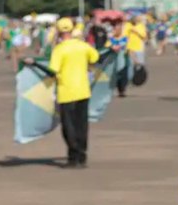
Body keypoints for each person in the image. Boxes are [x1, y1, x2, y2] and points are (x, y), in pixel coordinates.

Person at [24, 18, 100, 168]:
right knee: (82, 125)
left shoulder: (59, 49)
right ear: (71, 30)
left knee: (69, 126)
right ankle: (82, 157)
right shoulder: (83, 46)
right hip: (83, 90)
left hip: (66, 91)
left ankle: (73, 157)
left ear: (58, 32)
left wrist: (35, 63)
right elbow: (95, 58)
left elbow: (52, 71)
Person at [106, 23, 129, 98]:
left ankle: (122, 90)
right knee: (114, 75)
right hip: (113, 60)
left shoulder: (125, 38)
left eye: (118, 29)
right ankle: (117, 89)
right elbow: (107, 47)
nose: (116, 31)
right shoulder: (111, 39)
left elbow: (127, 48)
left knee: (123, 75)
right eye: (115, 29)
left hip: (123, 59)